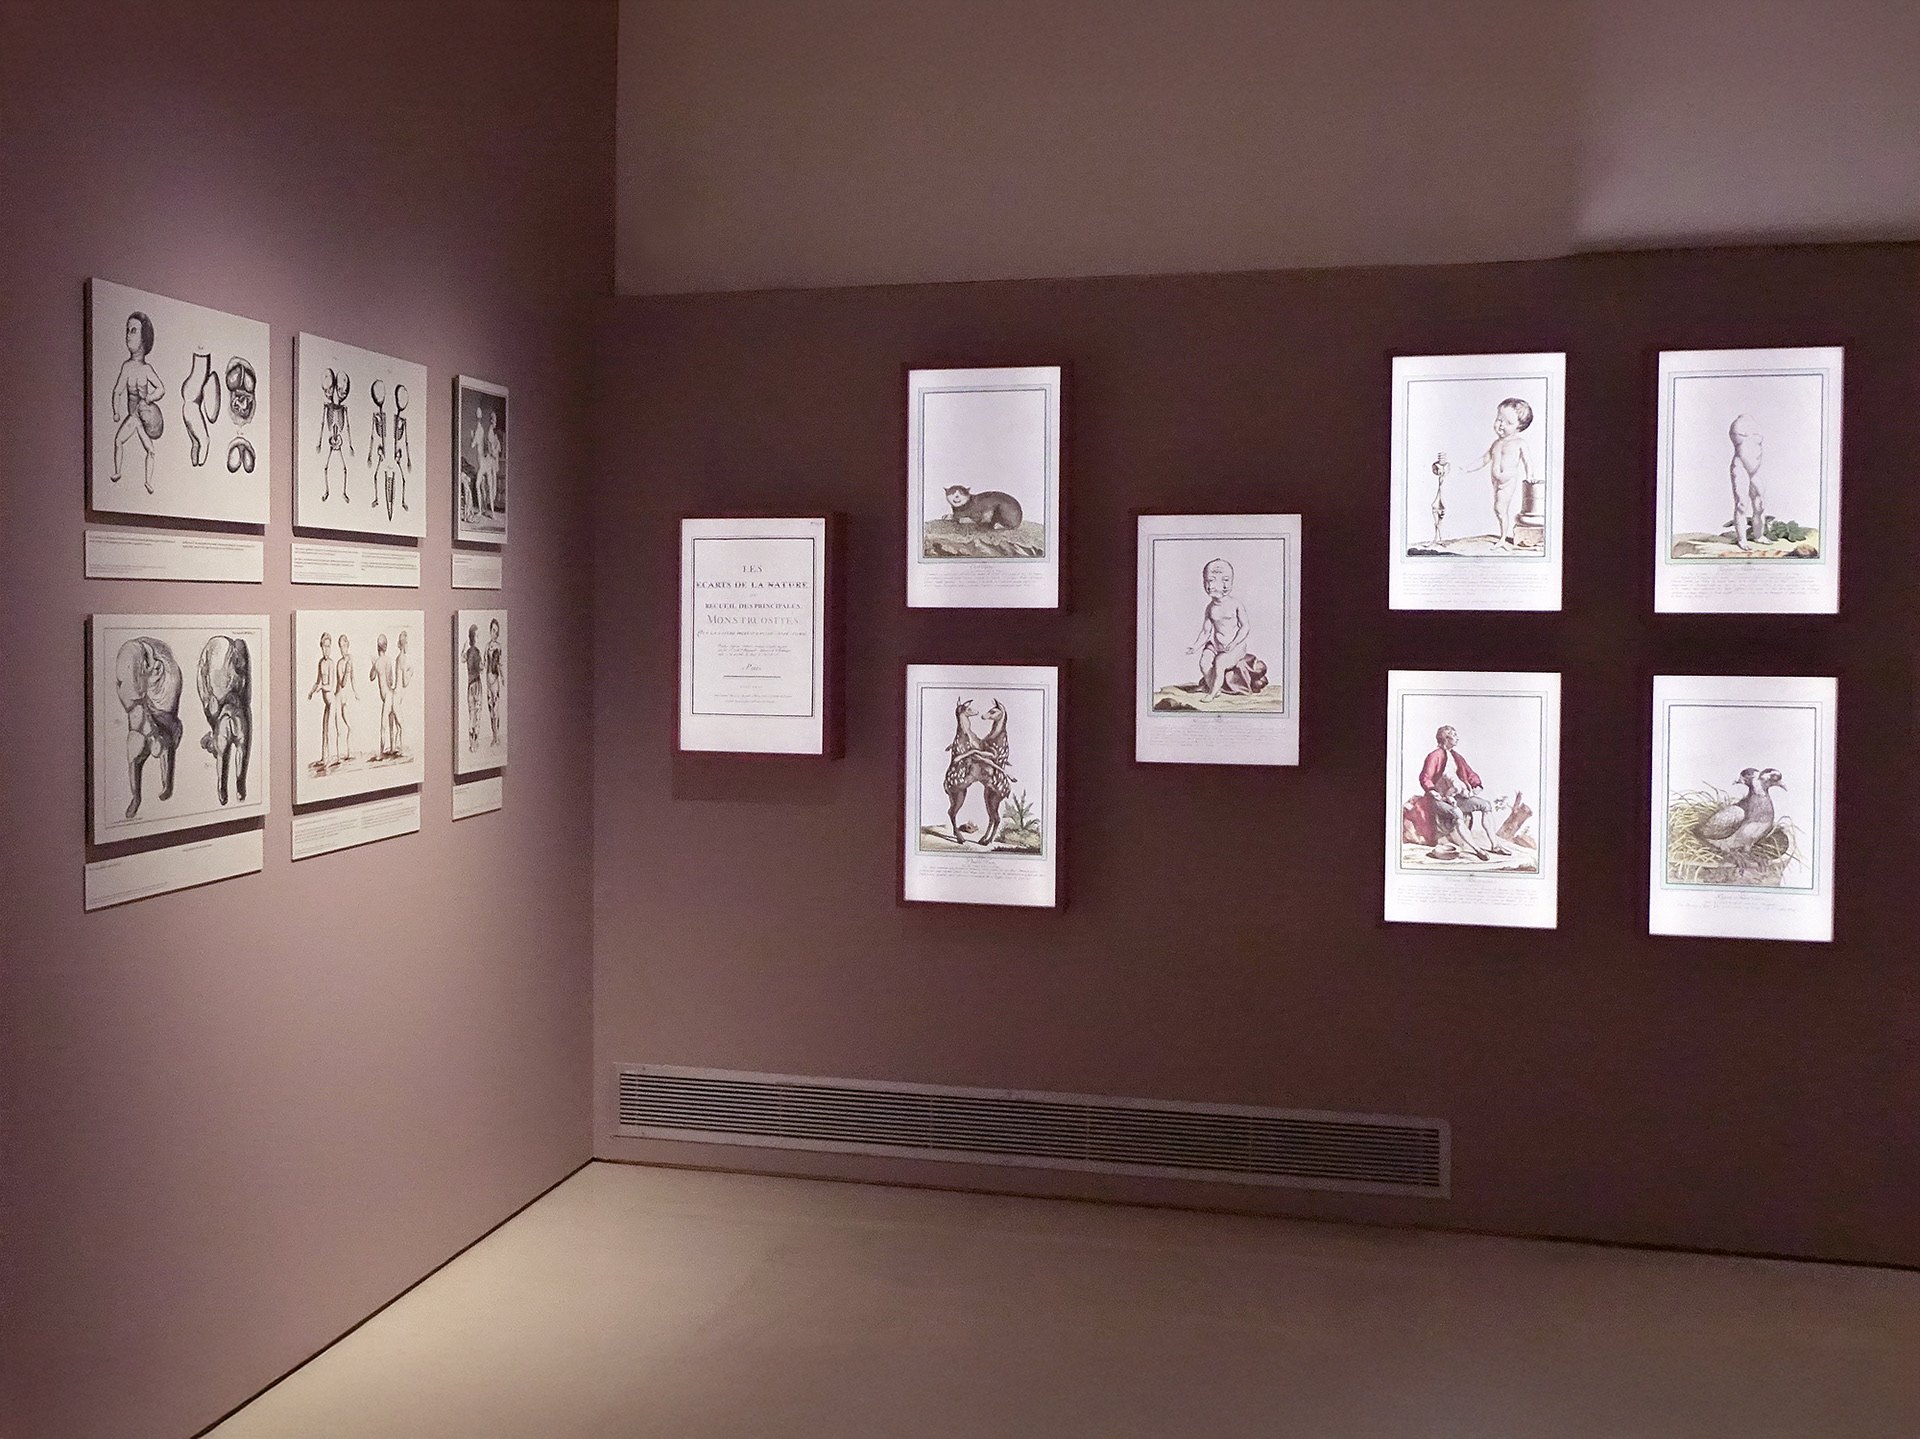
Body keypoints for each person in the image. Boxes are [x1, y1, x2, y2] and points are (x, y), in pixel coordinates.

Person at [1434, 397, 1534, 549]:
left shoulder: (1519, 443)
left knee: (1500, 508)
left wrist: (1530, 475)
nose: (1501, 425)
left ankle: (1502, 538)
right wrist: (1466, 468)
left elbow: (1527, 461)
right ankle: (1502, 535)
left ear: (1519, 427)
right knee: (1497, 508)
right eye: (1499, 419)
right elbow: (1484, 459)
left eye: (1508, 423)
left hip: (1507, 482)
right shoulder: (1496, 444)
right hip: (1495, 482)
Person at [1410, 725, 1510, 860]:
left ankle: (1495, 845)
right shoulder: (1434, 756)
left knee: (1486, 805)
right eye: (1454, 735)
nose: (1458, 738)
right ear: (1446, 738)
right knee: (1457, 813)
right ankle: (1476, 849)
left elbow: (1469, 773)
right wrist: (1432, 790)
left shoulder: (1456, 757)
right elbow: (1425, 777)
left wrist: (1477, 785)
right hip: (1438, 799)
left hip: (1456, 797)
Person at [1184, 558, 1257, 699]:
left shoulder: (1236, 604)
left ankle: (1211, 694)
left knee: (1220, 662)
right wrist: (1195, 646)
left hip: (1235, 646)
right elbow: (1206, 631)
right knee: (1204, 663)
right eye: (1208, 581)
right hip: (1216, 645)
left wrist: (1233, 643)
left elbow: (1245, 627)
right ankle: (1213, 687)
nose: (1209, 586)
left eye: (1225, 580)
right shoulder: (1210, 608)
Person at [110, 311, 166, 493]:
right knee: (118, 440)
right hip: (132, 417)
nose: (128, 335)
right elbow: (117, 391)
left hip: (142, 419)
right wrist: (116, 412)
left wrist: (150, 398)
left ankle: (148, 481)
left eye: (133, 330)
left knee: (151, 450)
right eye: (127, 330)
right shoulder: (126, 367)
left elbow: (161, 389)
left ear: (144, 338)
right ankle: (118, 471)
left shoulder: (147, 369)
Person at [1728, 413, 1766, 549]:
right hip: (1740, 467)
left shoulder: (1755, 428)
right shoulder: (1737, 427)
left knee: (1760, 504)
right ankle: (1742, 539)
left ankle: (1759, 536)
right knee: (1742, 504)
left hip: (1754, 471)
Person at [306, 633, 336, 772]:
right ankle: (324, 758)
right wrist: (311, 691)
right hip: (326, 703)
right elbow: (318, 681)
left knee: (329, 730)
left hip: (332, 702)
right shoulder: (321, 663)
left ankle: (329, 759)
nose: (326, 650)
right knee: (324, 730)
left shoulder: (331, 663)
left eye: (328, 647)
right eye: (324, 647)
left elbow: (331, 686)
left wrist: (321, 687)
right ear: (321, 647)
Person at [368, 633, 397, 759]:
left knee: (384, 725)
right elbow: (391, 680)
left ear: (377, 647)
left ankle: (381, 752)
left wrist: (373, 664)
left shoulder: (378, 662)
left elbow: (371, 677)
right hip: (390, 693)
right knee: (391, 722)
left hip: (386, 697)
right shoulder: (388, 660)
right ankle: (392, 747)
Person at [332, 633, 359, 762]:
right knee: (340, 731)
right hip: (338, 699)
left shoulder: (350, 659)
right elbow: (342, 683)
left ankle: (349, 752)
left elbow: (352, 678)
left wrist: (356, 692)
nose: (342, 649)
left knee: (351, 727)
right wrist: (347, 670)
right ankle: (338, 757)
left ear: (348, 645)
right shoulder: (339, 664)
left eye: (344, 646)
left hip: (345, 700)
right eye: (340, 647)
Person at [463, 623, 484, 751]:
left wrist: (463, 648)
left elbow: (462, 659)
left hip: (469, 685)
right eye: (477, 636)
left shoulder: (468, 652)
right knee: (477, 713)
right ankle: (475, 743)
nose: (478, 638)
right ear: (474, 637)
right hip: (477, 684)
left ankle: (471, 744)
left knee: (471, 714)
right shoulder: (476, 652)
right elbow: (481, 668)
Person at [484, 619, 504, 747]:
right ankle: (494, 736)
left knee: (496, 710)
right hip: (488, 680)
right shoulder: (487, 646)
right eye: (493, 631)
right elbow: (485, 663)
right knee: (490, 710)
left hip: (495, 680)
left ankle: (497, 736)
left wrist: (502, 677)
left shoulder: (499, 646)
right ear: (490, 631)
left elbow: (499, 663)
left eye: (497, 631)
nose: (495, 634)